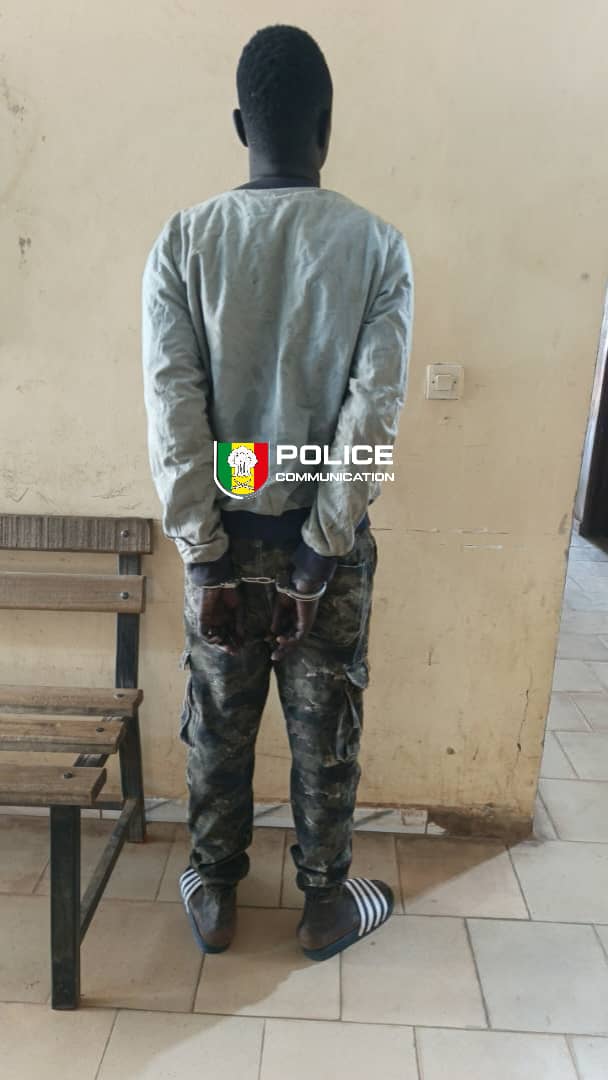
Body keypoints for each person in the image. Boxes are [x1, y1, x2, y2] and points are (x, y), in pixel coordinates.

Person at [142, 23, 413, 961]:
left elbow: (174, 411)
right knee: (324, 725)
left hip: (224, 530)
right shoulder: (378, 248)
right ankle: (326, 904)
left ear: (238, 126)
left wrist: (205, 557)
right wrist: (317, 556)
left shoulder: (184, 242)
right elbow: (372, 416)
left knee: (218, 722)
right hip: (318, 547)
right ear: (326, 126)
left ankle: (215, 894)